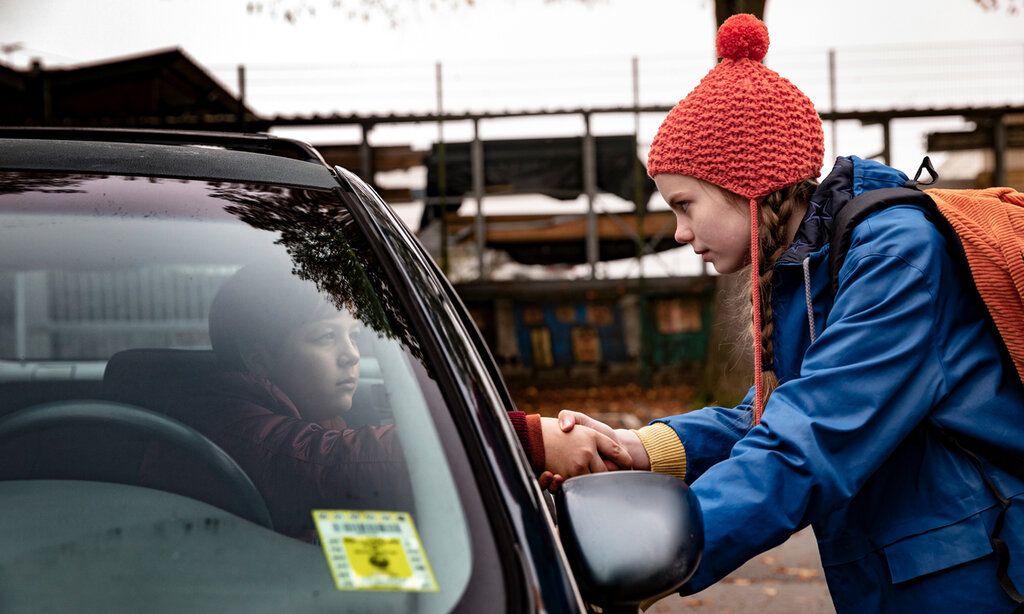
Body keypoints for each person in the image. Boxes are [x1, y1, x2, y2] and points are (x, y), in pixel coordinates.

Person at [542, 13, 1024, 612]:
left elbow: (816, 433)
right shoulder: (807, 266)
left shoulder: (897, 256)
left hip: (977, 578)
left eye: (684, 204)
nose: (678, 231)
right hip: (909, 573)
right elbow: (773, 414)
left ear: (745, 185)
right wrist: (641, 448)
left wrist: (657, 544)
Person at [140, 261, 629, 540]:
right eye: (324, 338)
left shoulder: (318, 415)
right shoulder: (228, 419)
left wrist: (501, 478)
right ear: (259, 357)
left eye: (353, 336)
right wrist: (521, 440)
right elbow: (331, 464)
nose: (351, 357)